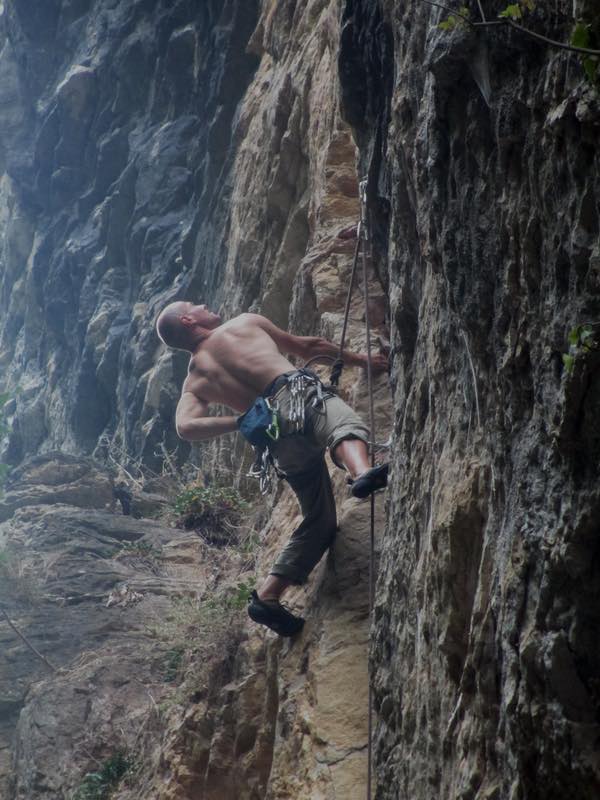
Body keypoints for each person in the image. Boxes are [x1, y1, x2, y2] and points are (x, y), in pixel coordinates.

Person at [156, 301, 389, 636]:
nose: (203, 305)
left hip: (274, 439)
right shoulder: (242, 323)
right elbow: (310, 347)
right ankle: (362, 472)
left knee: (319, 520)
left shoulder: (194, 380)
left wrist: (241, 420)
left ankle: (268, 596)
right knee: (343, 425)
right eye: (195, 305)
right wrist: (363, 360)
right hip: (294, 395)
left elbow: (186, 427)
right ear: (188, 319)